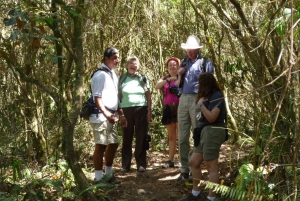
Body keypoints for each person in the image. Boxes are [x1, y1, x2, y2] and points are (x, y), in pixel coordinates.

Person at [180, 73, 227, 201]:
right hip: (203, 132)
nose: (198, 86)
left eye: (200, 83)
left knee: (211, 165)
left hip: (213, 131)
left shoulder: (217, 96)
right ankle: (195, 193)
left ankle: (211, 198)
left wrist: (201, 105)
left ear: (206, 84)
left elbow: (212, 117)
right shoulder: (207, 96)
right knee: (193, 162)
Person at [177, 35, 214, 181]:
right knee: (182, 137)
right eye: (188, 50)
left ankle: (194, 168)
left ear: (198, 49)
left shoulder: (205, 62)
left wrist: (205, 100)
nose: (189, 52)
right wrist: (180, 75)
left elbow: (210, 82)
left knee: (197, 134)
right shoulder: (184, 61)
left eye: (192, 50)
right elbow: (179, 84)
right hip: (183, 99)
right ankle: (184, 169)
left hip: (198, 99)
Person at [89, 47, 127, 182]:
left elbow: (115, 97)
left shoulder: (112, 74)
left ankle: (109, 174)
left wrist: (121, 114)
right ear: (106, 59)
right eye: (114, 58)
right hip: (101, 116)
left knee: (113, 144)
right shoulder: (100, 75)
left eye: (118, 58)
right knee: (101, 145)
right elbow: (97, 98)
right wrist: (107, 115)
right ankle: (98, 178)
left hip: (112, 115)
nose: (117, 61)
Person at [119, 56, 152, 172]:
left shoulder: (143, 78)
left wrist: (149, 110)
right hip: (126, 110)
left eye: (135, 63)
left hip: (141, 109)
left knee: (141, 137)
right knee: (126, 137)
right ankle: (125, 165)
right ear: (127, 65)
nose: (133, 65)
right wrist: (120, 113)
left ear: (138, 66)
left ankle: (141, 164)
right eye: (130, 63)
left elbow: (148, 95)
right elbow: (118, 96)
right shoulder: (122, 78)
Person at [155, 57, 180, 168]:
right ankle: (170, 159)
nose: (172, 67)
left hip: (180, 107)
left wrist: (176, 79)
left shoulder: (182, 77)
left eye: (175, 65)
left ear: (178, 66)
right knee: (171, 136)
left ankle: (182, 159)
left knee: (181, 135)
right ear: (167, 67)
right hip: (169, 109)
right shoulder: (165, 78)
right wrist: (168, 80)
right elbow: (157, 86)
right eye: (170, 65)